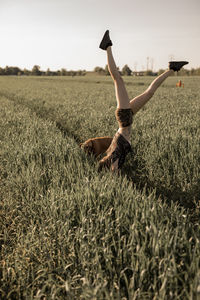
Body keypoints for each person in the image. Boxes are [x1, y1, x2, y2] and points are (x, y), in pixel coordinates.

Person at [82, 30, 188, 172]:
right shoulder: (112, 154)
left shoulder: (114, 159)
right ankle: (172, 69)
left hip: (125, 118)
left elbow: (113, 169)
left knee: (118, 79)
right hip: (127, 118)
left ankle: (107, 47)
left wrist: (112, 171)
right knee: (149, 93)